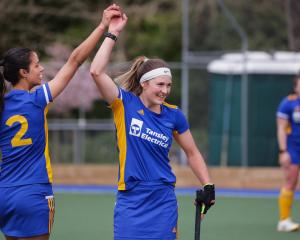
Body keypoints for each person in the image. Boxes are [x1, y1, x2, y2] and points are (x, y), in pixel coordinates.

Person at [0, 4, 122, 240]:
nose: (42, 68)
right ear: (23, 73)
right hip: (33, 192)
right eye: (36, 64)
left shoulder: (2, 105)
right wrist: (102, 26)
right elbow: (74, 61)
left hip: (4, 193)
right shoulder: (36, 100)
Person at [90, 12, 215, 240]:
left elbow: (192, 152)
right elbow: (96, 71)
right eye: (160, 84)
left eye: (169, 85)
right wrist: (113, 33)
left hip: (163, 199)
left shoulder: (174, 115)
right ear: (144, 83)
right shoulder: (123, 104)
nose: (165, 90)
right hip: (131, 200)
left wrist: (208, 184)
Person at [276, 74, 300, 232]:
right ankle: (284, 221)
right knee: (291, 181)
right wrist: (283, 151)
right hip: (293, 148)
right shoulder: (288, 103)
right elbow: (281, 129)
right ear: (295, 86)